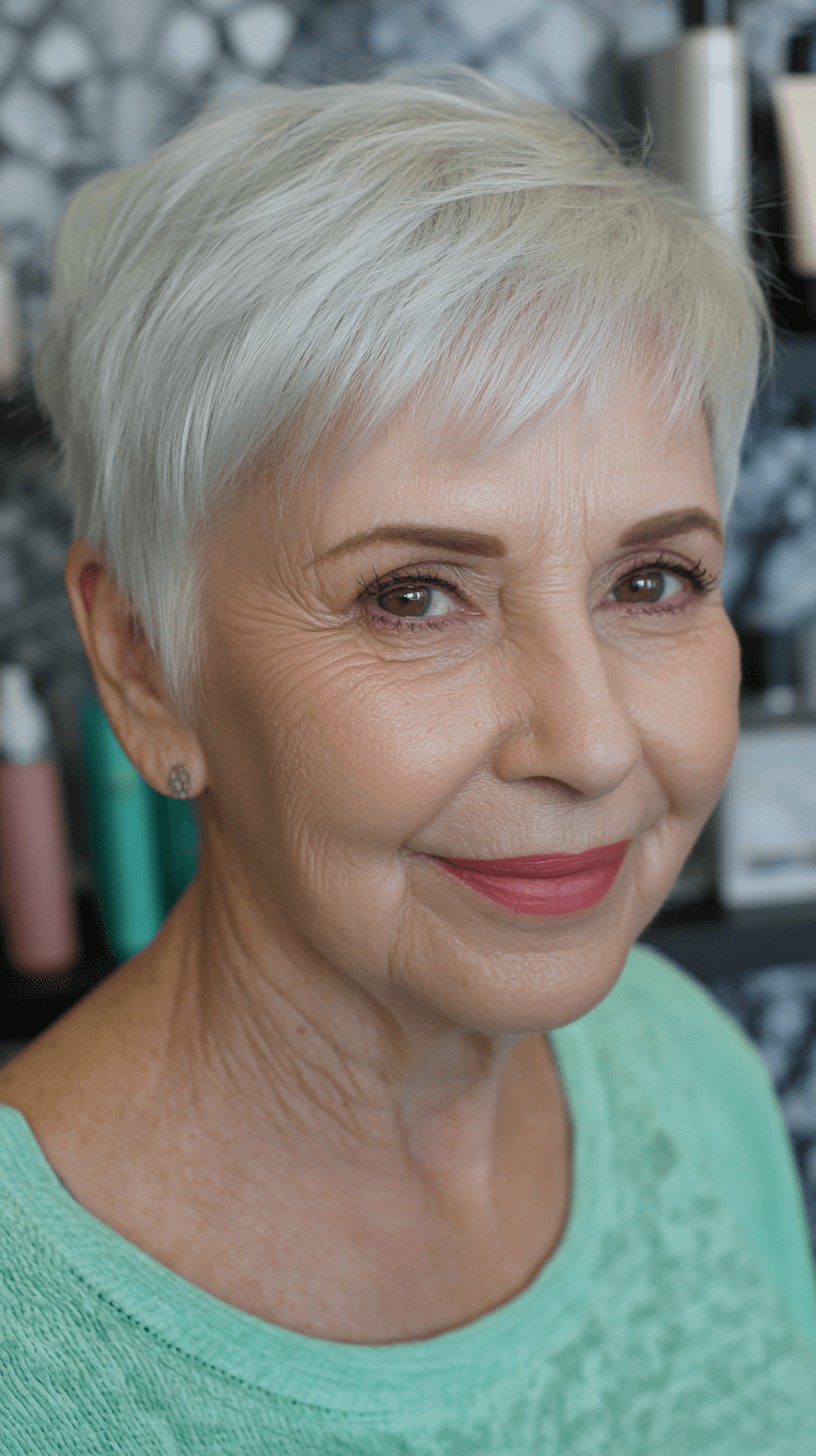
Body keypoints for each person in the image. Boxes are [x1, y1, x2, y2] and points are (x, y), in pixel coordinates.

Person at [1, 63, 815, 1454]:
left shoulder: (691, 1067)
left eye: (652, 582)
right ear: (145, 664)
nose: (591, 743)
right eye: (414, 597)